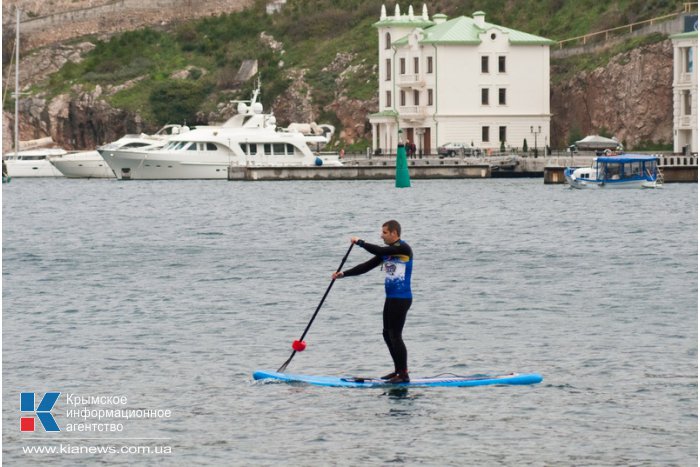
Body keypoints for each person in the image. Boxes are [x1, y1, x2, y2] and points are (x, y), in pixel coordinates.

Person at [332, 220, 413, 383]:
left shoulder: (403, 249)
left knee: (395, 335)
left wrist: (360, 242)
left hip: (402, 298)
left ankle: (403, 374)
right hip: (391, 298)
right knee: (387, 334)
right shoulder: (388, 253)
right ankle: (398, 371)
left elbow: (379, 249)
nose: (381, 235)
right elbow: (366, 266)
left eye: (384, 232)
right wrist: (343, 274)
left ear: (394, 233)